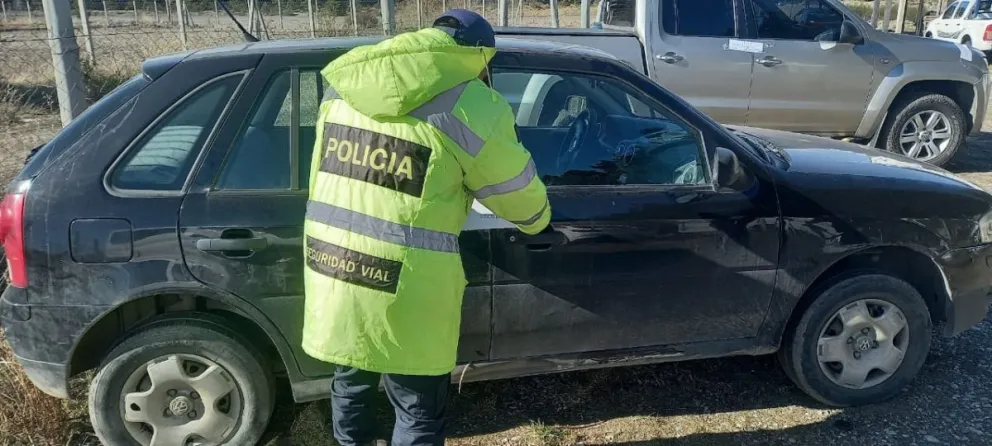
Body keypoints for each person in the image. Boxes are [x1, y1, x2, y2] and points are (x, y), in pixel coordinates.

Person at [302, 9, 551, 446]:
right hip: (408, 289)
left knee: (350, 381)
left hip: (335, 268)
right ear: (479, 55)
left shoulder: (347, 82)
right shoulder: (472, 105)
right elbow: (519, 197)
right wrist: (539, 220)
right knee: (417, 408)